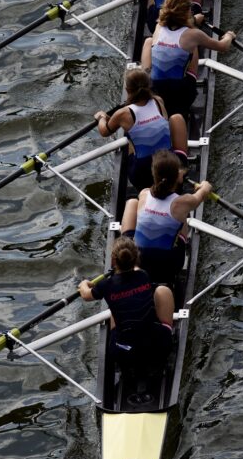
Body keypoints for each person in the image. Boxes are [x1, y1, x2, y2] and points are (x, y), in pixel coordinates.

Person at [79, 236, 175, 375]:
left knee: (115, 307)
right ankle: (165, 338)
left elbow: (85, 295)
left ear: (113, 260)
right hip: (157, 347)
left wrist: (84, 283)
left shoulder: (105, 285)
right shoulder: (143, 276)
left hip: (123, 353)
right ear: (136, 258)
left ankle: (128, 365)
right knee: (163, 291)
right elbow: (135, 270)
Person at [121, 149, 213, 287]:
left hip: (137, 262)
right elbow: (204, 192)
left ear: (154, 174)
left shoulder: (144, 194)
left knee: (132, 202)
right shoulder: (183, 202)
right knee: (182, 216)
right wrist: (204, 185)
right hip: (168, 268)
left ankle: (124, 247)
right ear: (178, 177)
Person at [141, 0, 237, 118]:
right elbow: (223, 47)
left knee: (149, 41)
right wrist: (229, 36)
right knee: (192, 45)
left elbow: (177, 26)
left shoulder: (159, 27)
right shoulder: (194, 35)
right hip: (180, 95)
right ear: (187, 12)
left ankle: (144, 76)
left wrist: (194, 21)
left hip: (154, 91)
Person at [94, 67, 188, 191]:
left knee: (129, 137)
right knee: (176, 119)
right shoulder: (158, 101)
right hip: (169, 167)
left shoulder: (123, 114)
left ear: (127, 90)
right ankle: (182, 167)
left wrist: (101, 117)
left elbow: (104, 131)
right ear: (149, 85)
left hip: (143, 176)